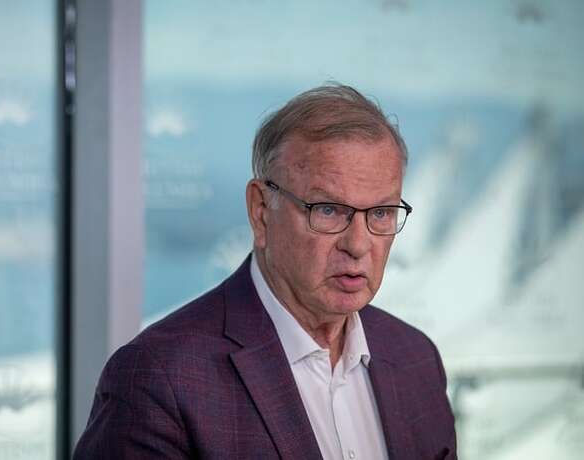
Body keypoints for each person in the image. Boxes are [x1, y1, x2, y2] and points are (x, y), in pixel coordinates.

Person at [74, 84, 457, 460]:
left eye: (381, 213)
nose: (357, 245)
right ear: (261, 211)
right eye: (327, 210)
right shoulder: (160, 378)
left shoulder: (415, 359)